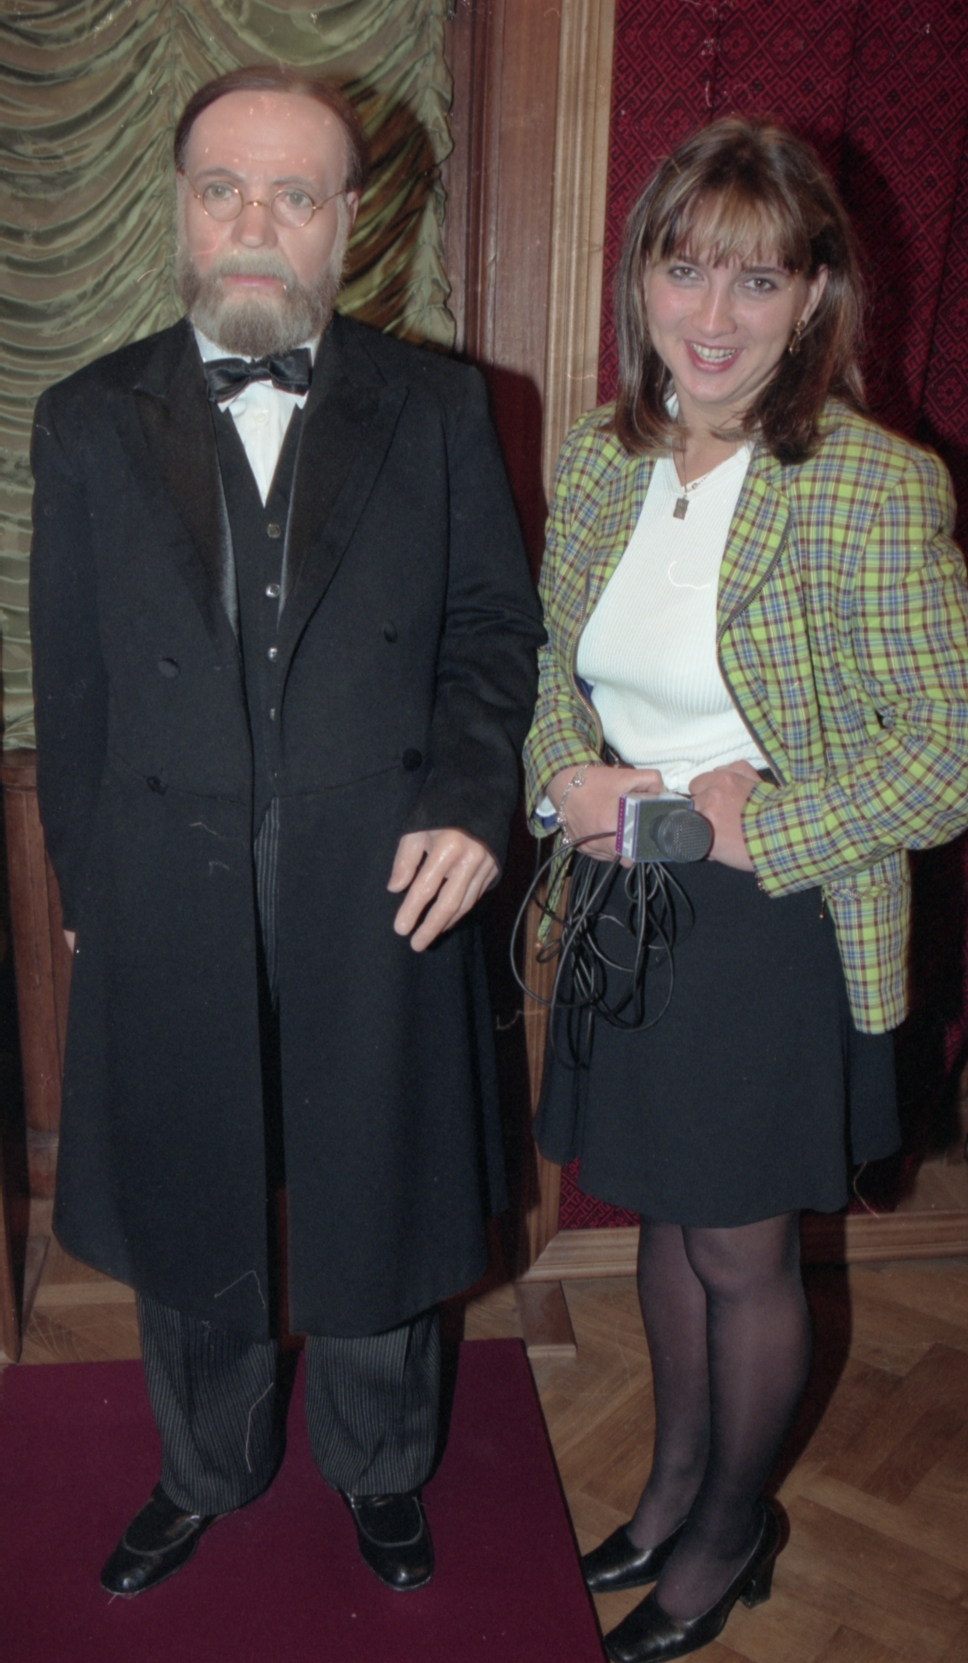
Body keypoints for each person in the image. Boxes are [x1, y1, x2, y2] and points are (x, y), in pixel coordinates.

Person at [30, 64, 542, 1599]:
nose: (255, 223)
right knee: (191, 1185)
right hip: (165, 876)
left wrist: (468, 802)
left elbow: (490, 637)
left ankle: (381, 1465)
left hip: (379, 874)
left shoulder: (440, 407)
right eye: (223, 189)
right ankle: (205, 1466)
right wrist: (85, 878)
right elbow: (73, 675)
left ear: (350, 221)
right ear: (181, 209)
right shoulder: (83, 416)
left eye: (294, 193)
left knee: (378, 1181)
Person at [523, 116, 968, 1663]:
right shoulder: (602, 459)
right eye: (686, 269)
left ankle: (726, 1538)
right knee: (665, 1215)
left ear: (814, 297)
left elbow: (946, 761)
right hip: (627, 906)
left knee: (741, 1248)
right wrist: (565, 776)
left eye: (757, 280)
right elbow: (548, 666)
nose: (712, 317)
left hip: (774, 923)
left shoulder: (871, 485)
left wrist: (746, 831)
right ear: (641, 278)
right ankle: (667, 1497)